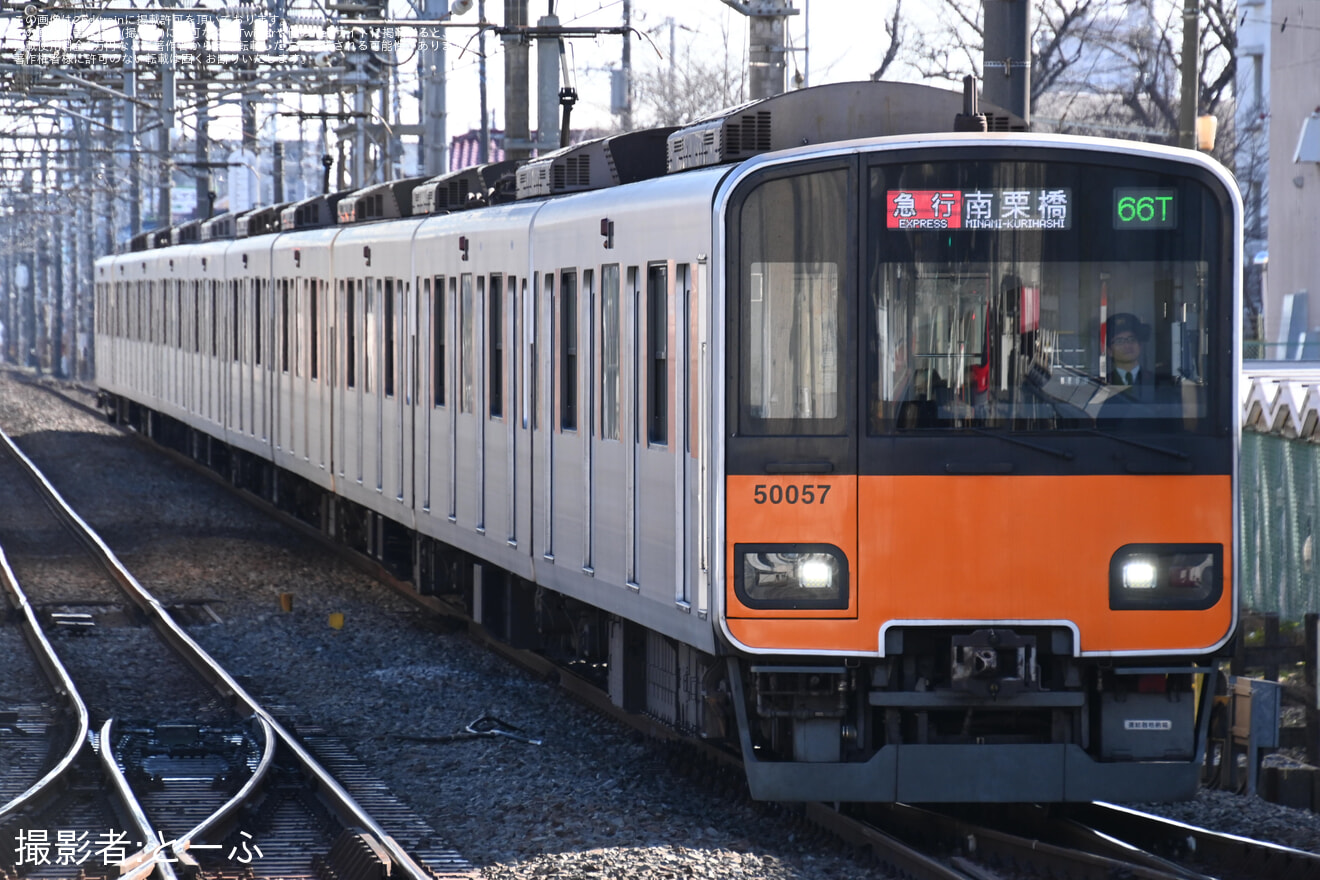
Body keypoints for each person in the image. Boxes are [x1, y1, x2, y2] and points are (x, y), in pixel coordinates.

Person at [1106, 312, 1150, 391]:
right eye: (1119, 341)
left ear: (1140, 345)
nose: (1127, 345)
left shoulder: (1157, 381)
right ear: (1109, 351)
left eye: (1131, 339)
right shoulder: (1103, 382)